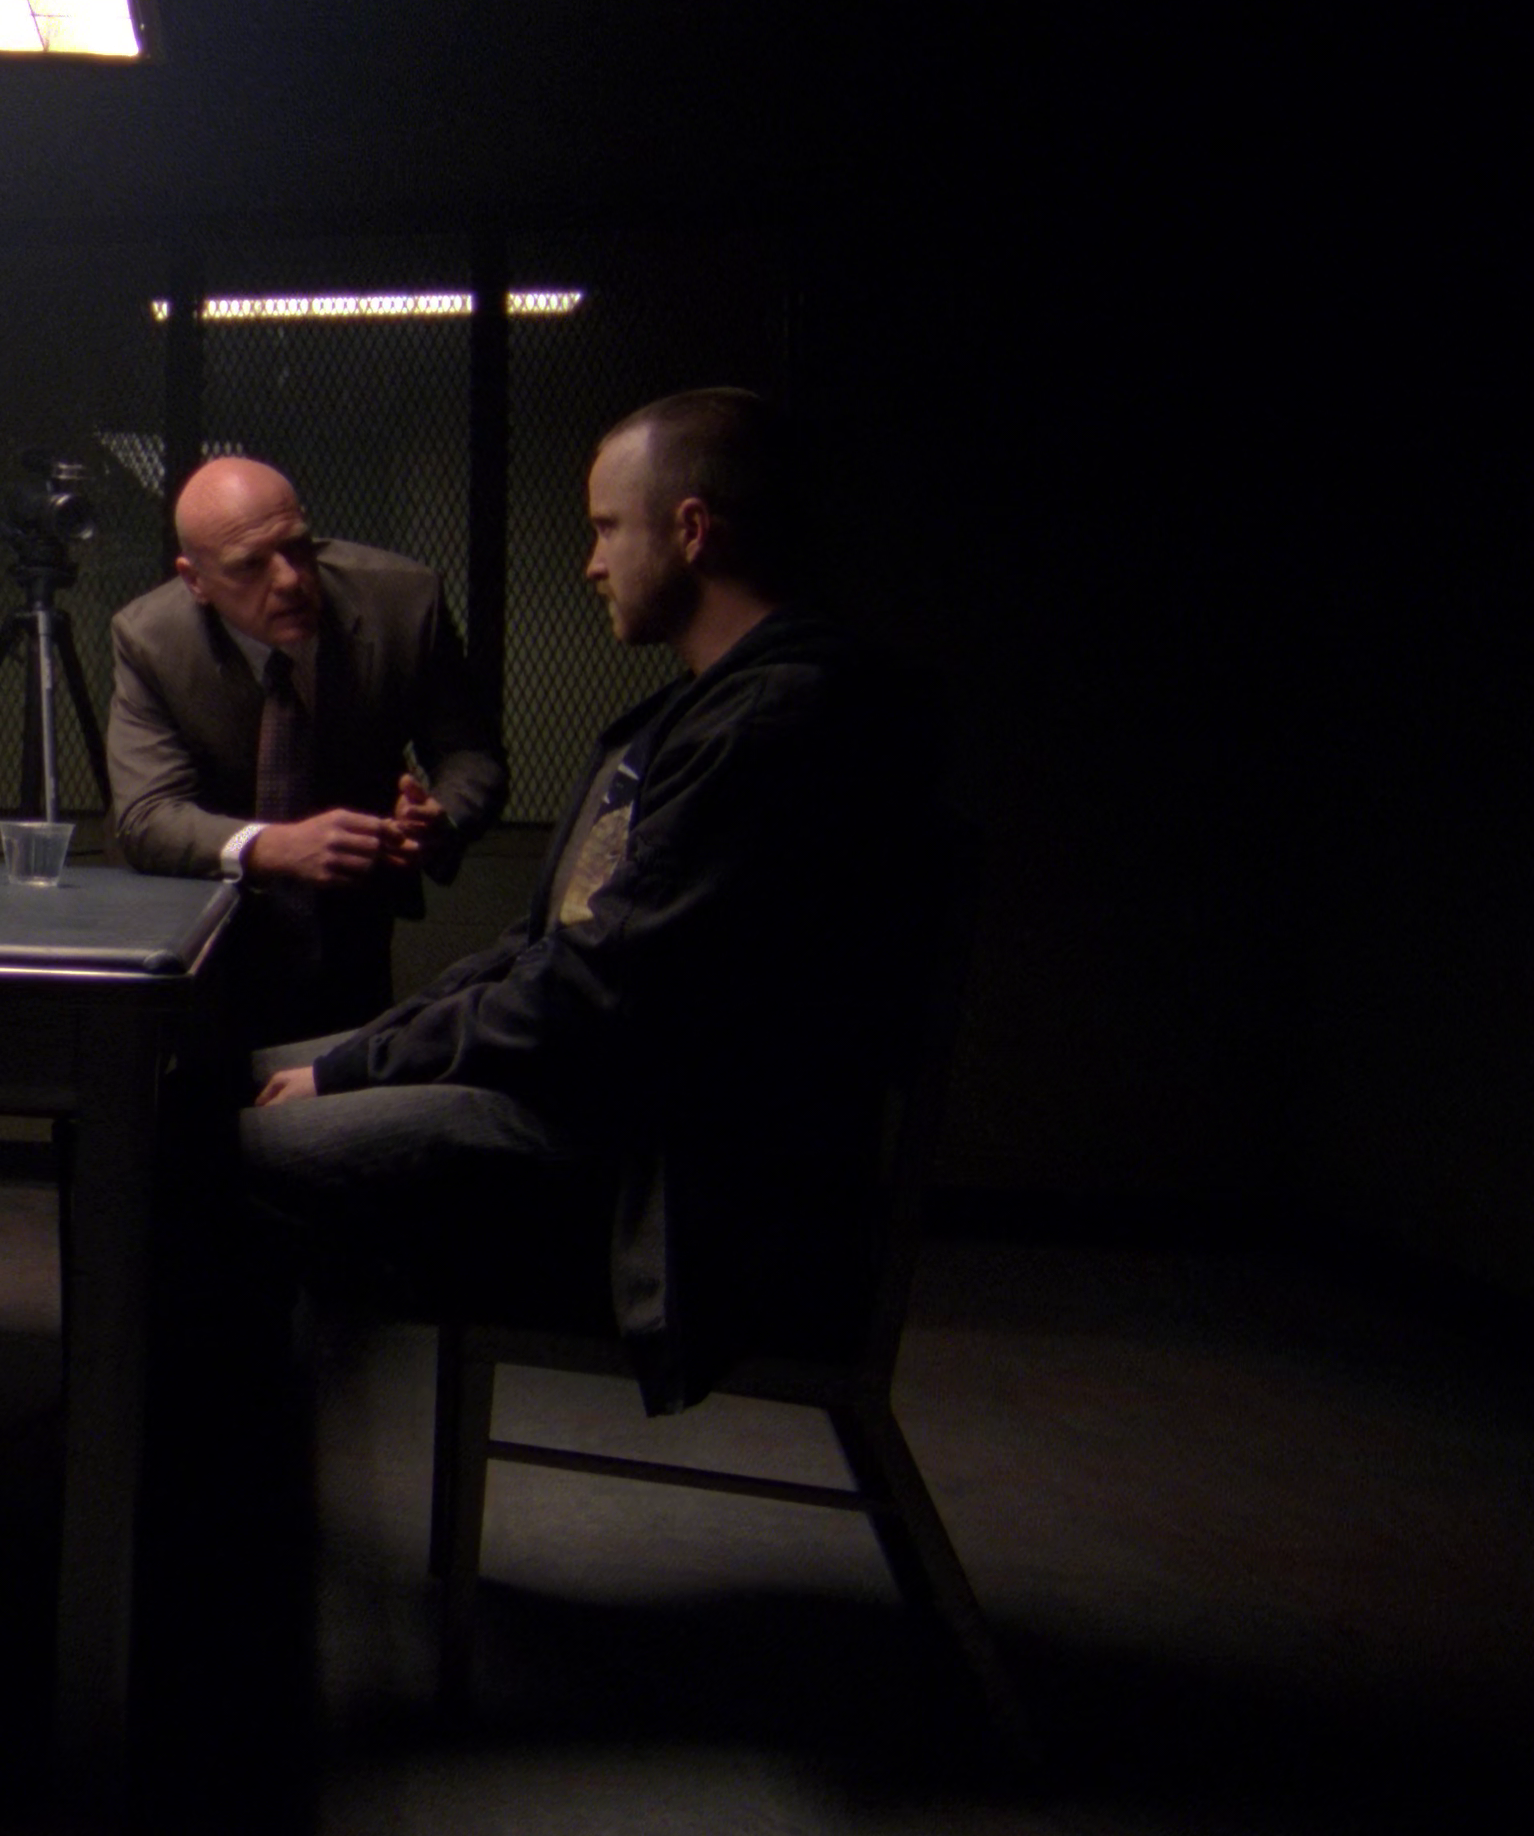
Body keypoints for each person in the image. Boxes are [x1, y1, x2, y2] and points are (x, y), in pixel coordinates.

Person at [235, 388, 929, 1413]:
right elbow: (541, 951)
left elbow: (590, 996)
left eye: (607, 528)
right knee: (215, 1081)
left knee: (217, 1150)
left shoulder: (779, 724)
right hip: (590, 1101)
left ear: (691, 530)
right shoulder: (693, 714)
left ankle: (200, 1469)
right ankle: (211, 1443)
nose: (592, 563)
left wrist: (351, 1069)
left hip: (662, 1180)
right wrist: (366, 1049)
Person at [106, 454, 506, 1043]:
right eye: (251, 565)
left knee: (344, 1075)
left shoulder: (403, 603)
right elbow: (147, 816)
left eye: (297, 546)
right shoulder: (152, 638)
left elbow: (472, 755)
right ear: (195, 581)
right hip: (206, 925)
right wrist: (271, 846)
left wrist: (440, 817)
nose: (290, 579)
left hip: (353, 914)